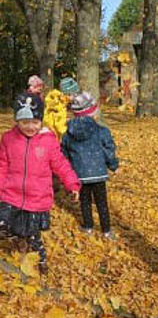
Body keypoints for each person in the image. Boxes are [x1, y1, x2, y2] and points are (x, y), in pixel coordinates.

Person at [0, 94, 80, 274]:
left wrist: (72, 184)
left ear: (41, 121)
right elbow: (2, 164)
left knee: (33, 235)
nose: (30, 127)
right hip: (10, 194)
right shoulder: (8, 138)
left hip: (37, 197)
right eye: (24, 122)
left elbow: (60, 164)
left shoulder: (48, 140)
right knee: (3, 224)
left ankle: (40, 261)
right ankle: (17, 238)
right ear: (17, 121)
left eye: (35, 122)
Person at [60, 92, 119, 239]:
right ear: (93, 114)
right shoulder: (101, 131)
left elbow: (64, 153)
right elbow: (108, 150)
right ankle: (106, 231)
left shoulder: (68, 134)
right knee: (101, 203)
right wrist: (113, 165)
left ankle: (88, 227)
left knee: (85, 201)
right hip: (98, 174)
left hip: (79, 175)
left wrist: (68, 171)